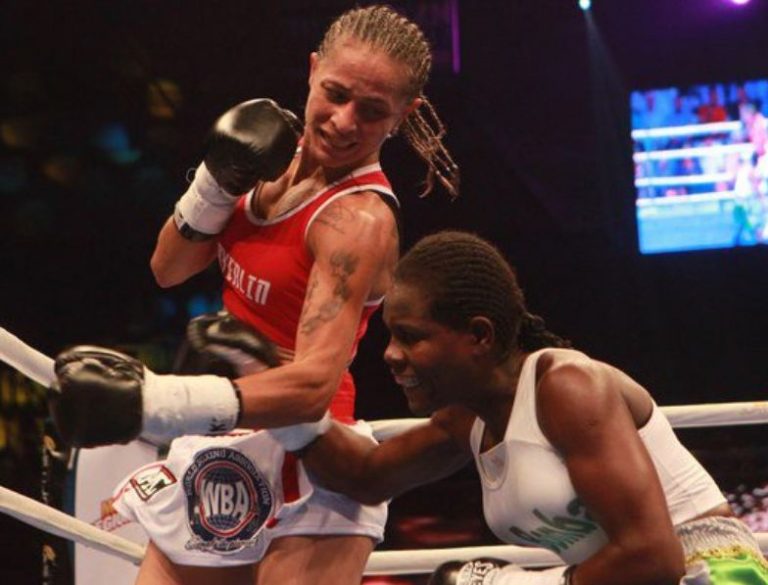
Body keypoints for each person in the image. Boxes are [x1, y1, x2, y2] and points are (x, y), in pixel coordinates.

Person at [49, 5, 459, 585]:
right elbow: (168, 267)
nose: (344, 122)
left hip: (314, 455)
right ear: (313, 69)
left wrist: (158, 400)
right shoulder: (266, 160)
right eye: (335, 94)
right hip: (226, 431)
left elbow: (313, 385)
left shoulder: (357, 221)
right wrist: (213, 181)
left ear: (403, 114)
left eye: (371, 112)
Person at [296, 230, 768, 585]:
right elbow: (366, 475)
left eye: (411, 336)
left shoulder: (567, 388)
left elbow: (652, 554)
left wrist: (523, 583)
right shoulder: (471, 418)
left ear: (479, 335)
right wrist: (268, 392)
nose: (391, 355)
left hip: (713, 570)